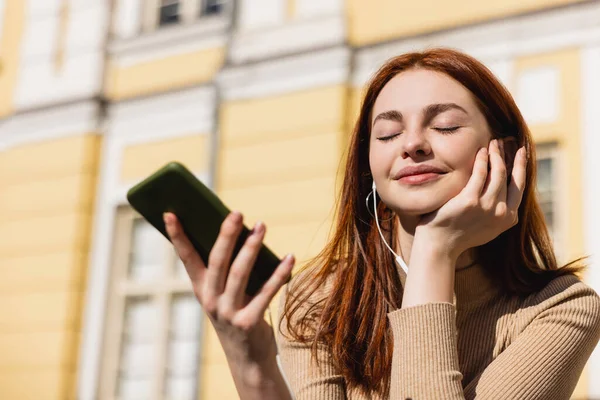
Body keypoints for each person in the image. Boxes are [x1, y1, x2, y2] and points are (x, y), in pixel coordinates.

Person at [163, 48, 600, 400]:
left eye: (445, 125)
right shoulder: (321, 298)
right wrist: (251, 361)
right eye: (387, 134)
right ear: (369, 166)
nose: (411, 144)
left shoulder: (561, 308)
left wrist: (434, 251)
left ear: (504, 153)